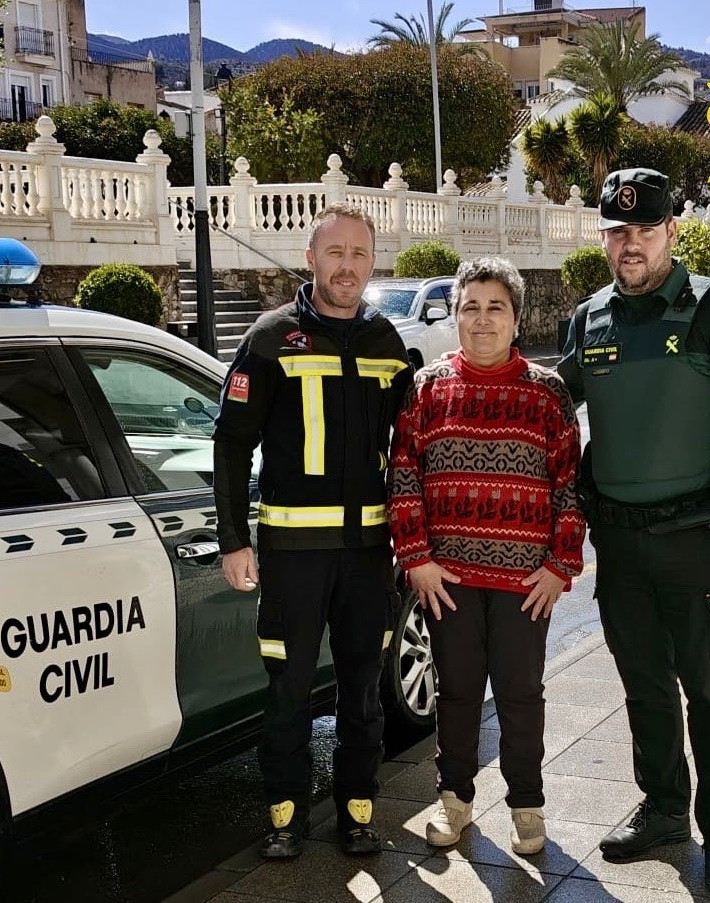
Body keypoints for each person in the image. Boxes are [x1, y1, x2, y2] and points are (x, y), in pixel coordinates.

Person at [558, 168, 710, 895]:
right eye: (617, 231)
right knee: (644, 687)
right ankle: (661, 811)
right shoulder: (587, 317)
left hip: (697, 535)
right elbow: (552, 405)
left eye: (643, 230)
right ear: (603, 237)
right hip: (619, 542)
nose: (629, 244)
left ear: (670, 232)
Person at [212, 203, 411, 860]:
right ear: (310, 259)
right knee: (288, 692)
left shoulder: (387, 342)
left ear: (371, 261)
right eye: (335, 253)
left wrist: (415, 543)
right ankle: (285, 815)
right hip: (291, 556)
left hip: (365, 557)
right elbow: (232, 442)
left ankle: (356, 811)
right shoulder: (270, 338)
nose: (346, 266)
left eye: (358, 254)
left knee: (361, 690)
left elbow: (411, 451)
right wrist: (234, 538)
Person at [388, 256, 585, 856]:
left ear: (516, 319)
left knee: (523, 694)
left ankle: (527, 805)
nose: (481, 319)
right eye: (469, 307)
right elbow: (403, 476)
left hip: (525, 581)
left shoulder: (548, 394)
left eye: (494, 307)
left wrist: (560, 566)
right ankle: (455, 804)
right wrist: (416, 558)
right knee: (457, 692)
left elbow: (571, 487)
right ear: (454, 317)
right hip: (447, 579)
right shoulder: (427, 389)